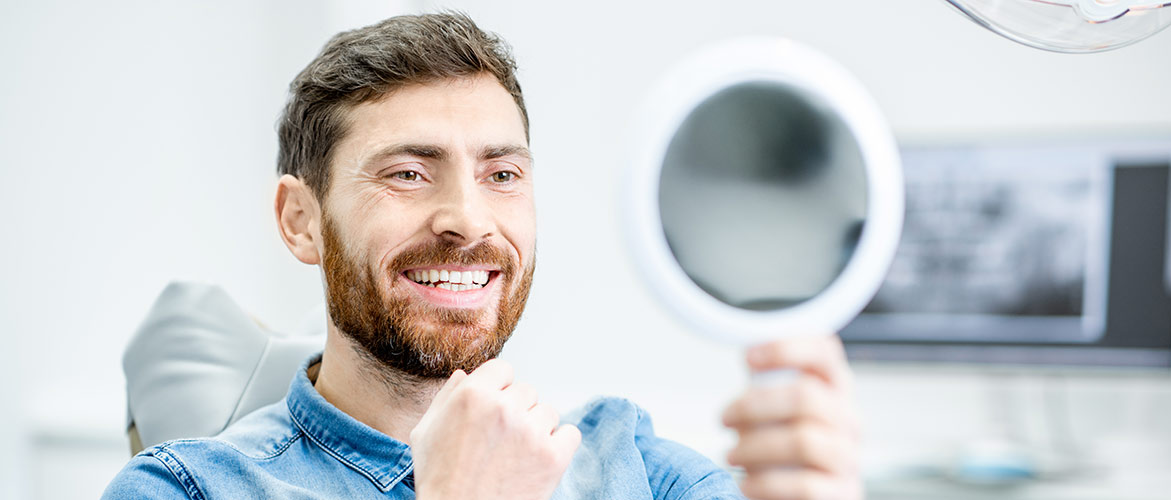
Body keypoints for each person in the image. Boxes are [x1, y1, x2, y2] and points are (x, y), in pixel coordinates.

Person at [103, 12, 861, 500]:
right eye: (408, 172)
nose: (468, 220)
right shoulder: (184, 489)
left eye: (502, 175)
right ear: (300, 221)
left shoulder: (631, 464)